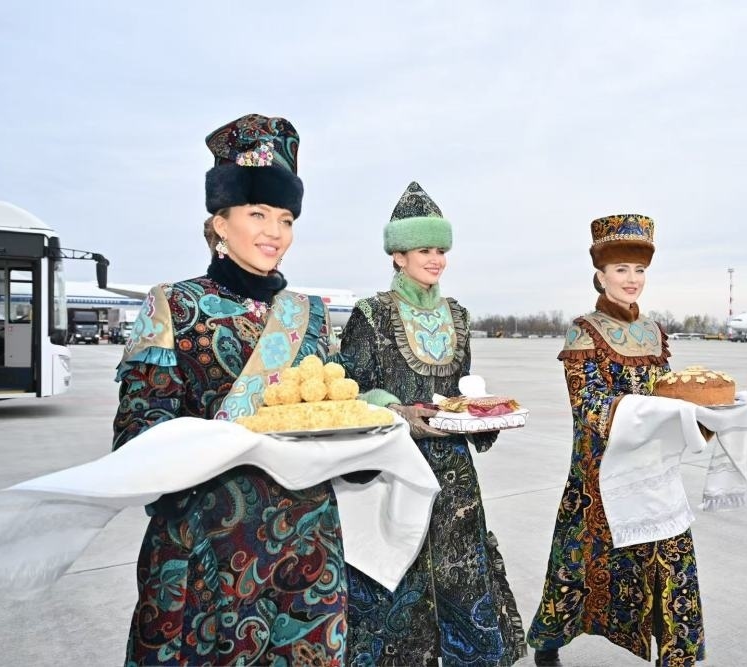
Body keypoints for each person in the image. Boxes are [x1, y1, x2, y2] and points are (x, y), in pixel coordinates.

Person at [113, 114, 350, 665]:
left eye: (286, 219)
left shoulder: (311, 315)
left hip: (308, 551)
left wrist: (363, 446)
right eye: (257, 214)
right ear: (220, 222)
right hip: (207, 548)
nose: (275, 232)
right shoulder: (173, 306)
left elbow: (333, 412)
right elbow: (136, 434)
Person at [339, 182, 526, 666]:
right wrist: (399, 412)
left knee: (459, 574)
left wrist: (481, 415)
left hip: (455, 476)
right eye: (425, 249)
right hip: (395, 470)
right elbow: (350, 390)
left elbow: (462, 391)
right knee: (399, 582)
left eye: (441, 250)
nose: (436, 259)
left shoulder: (458, 315)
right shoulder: (370, 315)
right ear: (398, 255)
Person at [526, 214, 706, 666]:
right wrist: (651, 412)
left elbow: (668, 391)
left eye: (639, 270)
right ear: (601, 274)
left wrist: (699, 413)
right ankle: (548, 643)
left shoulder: (654, 331)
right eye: (621, 269)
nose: (631, 279)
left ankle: (677, 656)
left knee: (671, 559)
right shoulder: (584, 330)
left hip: (654, 470)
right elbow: (587, 403)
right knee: (576, 565)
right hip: (598, 476)